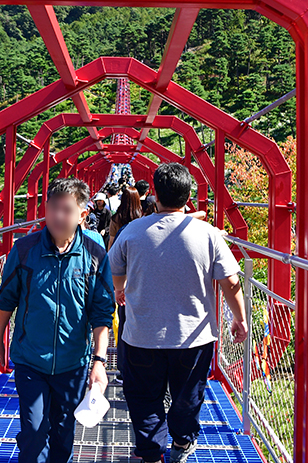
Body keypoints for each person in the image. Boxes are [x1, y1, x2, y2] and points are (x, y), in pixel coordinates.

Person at [108, 163, 248, 463]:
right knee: (188, 395)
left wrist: (120, 288)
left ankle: (150, 452)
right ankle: (182, 443)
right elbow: (231, 281)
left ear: (155, 195)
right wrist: (239, 317)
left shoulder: (132, 231)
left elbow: (114, 270)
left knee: (144, 397)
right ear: (188, 197)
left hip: (142, 335)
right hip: (194, 337)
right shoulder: (208, 234)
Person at [0, 177, 115, 463]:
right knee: (34, 433)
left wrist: (99, 362)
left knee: (63, 433)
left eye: (67, 210)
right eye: (52, 208)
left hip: (73, 363)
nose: (58, 216)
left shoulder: (94, 255)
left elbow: (101, 313)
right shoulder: (25, 250)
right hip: (30, 360)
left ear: (83, 215)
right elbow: (7, 299)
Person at [106, 185, 143, 384]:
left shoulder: (116, 220)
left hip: (122, 277)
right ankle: (141, 368)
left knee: (122, 322)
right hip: (140, 277)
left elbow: (112, 247)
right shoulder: (143, 220)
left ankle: (122, 369)